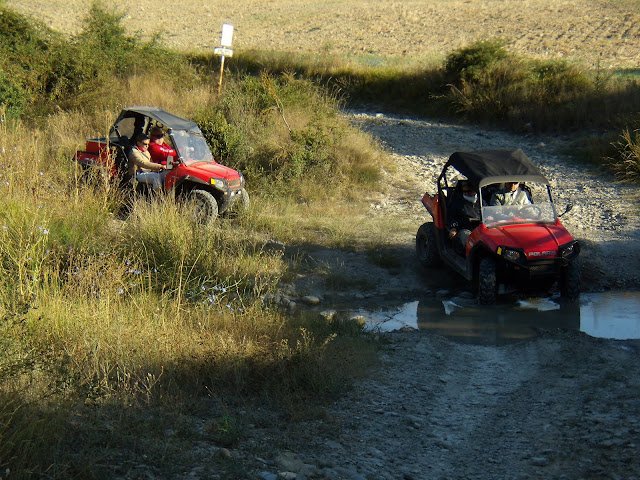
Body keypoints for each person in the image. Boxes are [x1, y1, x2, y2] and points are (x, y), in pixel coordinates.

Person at [447, 180, 481, 251]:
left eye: (469, 191)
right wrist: (453, 228)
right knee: (469, 240)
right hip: (464, 228)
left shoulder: (481, 201)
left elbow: (488, 212)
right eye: (465, 191)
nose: (467, 193)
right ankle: (471, 257)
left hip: (481, 227)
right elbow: (451, 217)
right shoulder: (458, 203)